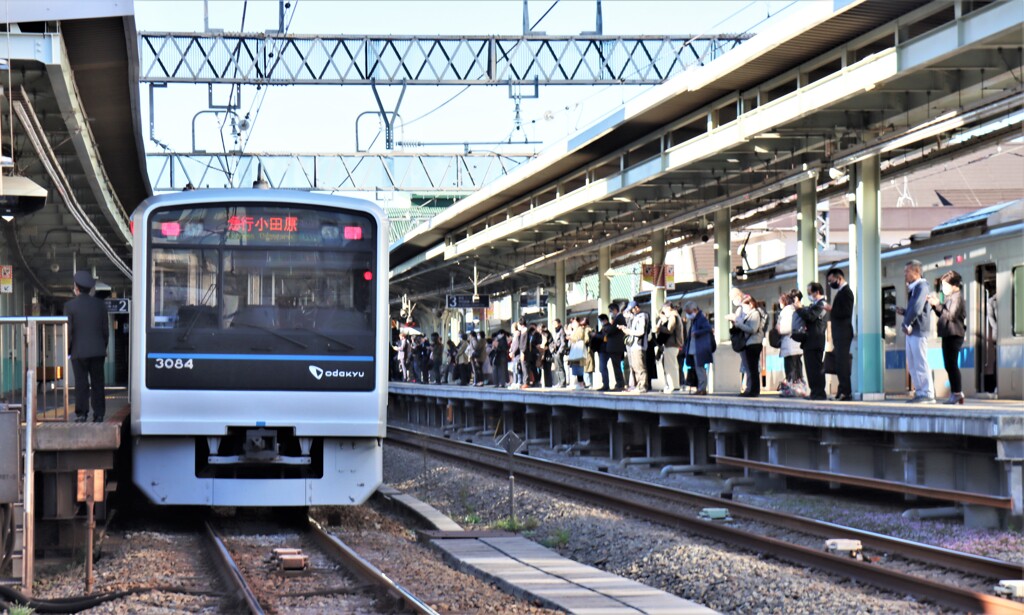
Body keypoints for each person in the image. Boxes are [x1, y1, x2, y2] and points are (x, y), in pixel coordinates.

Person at [65, 271, 109, 422]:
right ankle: (99, 414)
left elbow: (69, 331)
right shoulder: (100, 305)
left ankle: (82, 414)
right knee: (98, 382)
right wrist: (103, 347)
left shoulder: (69, 306)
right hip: (98, 351)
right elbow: (105, 331)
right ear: (90, 289)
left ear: (76, 288)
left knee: (81, 383)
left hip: (78, 351)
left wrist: (69, 349)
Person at [900, 260, 935, 403]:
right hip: (912, 331)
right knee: (913, 363)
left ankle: (927, 392)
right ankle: (920, 392)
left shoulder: (922, 287)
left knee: (920, 362)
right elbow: (913, 308)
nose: (905, 274)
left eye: (907, 271)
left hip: (918, 330)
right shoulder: (914, 288)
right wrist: (903, 313)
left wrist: (907, 323)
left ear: (916, 272)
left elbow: (917, 308)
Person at [930, 271, 966, 404]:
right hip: (948, 334)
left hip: (954, 334)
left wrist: (938, 305)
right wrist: (935, 306)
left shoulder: (957, 297)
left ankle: (957, 393)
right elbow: (944, 314)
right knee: (949, 364)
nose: (943, 288)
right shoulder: (951, 297)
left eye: (945, 285)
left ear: (954, 285)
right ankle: (956, 393)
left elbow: (951, 316)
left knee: (951, 364)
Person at [825, 268, 855, 401]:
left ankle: (846, 392)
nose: (831, 283)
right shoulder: (841, 292)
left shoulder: (847, 293)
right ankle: (841, 390)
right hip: (839, 333)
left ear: (839, 278)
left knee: (842, 363)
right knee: (838, 363)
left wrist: (831, 309)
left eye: (831, 281)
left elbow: (846, 312)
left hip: (844, 332)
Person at [798, 283, 829, 400]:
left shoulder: (822, 305)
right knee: (810, 368)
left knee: (816, 368)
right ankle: (814, 392)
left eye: (810, 293)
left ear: (817, 292)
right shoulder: (815, 305)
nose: (809, 295)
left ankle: (819, 393)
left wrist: (799, 309)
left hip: (815, 340)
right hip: (810, 341)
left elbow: (810, 317)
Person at [728, 295, 764, 397]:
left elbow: (753, 329)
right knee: (749, 368)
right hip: (749, 344)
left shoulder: (755, 314)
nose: (744, 308)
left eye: (745, 305)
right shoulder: (749, 314)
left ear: (751, 304)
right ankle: (750, 389)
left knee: (753, 369)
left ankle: (754, 390)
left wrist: (740, 325)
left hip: (754, 343)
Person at [681, 301, 713, 395]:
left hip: (699, 348)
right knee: (698, 368)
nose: (688, 315)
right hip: (695, 348)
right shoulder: (695, 319)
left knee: (700, 369)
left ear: (695, 310)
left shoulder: (701, 319)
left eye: (689, 313)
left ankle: (702, 388)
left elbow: (708, 329)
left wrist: (697, 333)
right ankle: (700, 387)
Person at [776, 290, 805, 389]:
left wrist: (779, 328)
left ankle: (792, 389)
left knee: (791, 368)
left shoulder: (787, 311)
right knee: (798, 368)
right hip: (798, 344)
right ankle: (800, 388)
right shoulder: (797, 309)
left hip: (790, 344)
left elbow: (785, 328)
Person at [656, 304, 684, 393]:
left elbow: (669, 329)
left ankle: (673, 386)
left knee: (670, 367)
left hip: (672, 344)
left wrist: (660, 328)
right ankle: (673, 386)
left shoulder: (673, 316)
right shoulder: (676, 316)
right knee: (672, 366)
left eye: (664, 311)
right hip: (673, 345)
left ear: (668, 308)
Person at [622, 301, 649, 393]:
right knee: (635, 366)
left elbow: (641, 331)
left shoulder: (642, 316)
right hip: (634, 346)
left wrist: (629, 331)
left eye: (632, 309)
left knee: (640, 367)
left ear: (637, 308)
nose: (631, 312)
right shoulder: (636, 317)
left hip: (639, 345)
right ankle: (639, 385)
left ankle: (643, 386)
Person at [604, 304, 627, 391]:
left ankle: (620, 384)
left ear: (615, 310)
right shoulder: (617, 319)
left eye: (610, 311)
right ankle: (619, 383)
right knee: (616, 366)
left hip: (616, 346)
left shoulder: (619, 318)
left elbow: (612, 330)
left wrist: (607, 330)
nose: (610, 313)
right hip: (615, 347)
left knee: (616, 366)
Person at [551, 319, 567, 388]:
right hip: (555, 351)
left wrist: (559, 352)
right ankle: (559, 382)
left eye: (556, 324)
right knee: (557, 368)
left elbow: (563, 343)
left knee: (560, 367)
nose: (554, 326)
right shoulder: (555, 331)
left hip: (558, 352)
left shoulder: (561, 331)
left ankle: (562, 382)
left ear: (559, 323)